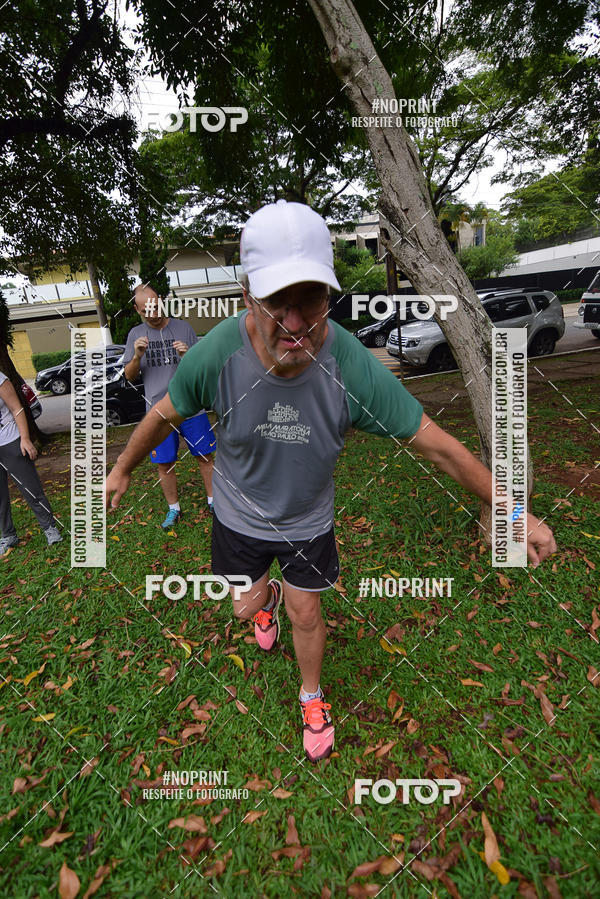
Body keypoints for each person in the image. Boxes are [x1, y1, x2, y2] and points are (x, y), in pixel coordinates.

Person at [106, 200, 557, 762]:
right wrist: (123, 468)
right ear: (248, 295)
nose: (295, 322)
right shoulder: (215, 354)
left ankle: (311, 694)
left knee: (308, 613)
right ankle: (261, 595)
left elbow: (440, 448)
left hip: (308, 523)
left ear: (329, 296)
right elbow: (162, 414)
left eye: (311, 299)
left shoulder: (349, 365)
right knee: (244, 609)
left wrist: (514, 512)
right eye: (277, 301)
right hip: (238, 517)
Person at [123, 285, 215, 528]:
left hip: (191, 407)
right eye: (145, 310)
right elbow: (129, 377)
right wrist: (136, 357)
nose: (152, 313)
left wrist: (188, 357)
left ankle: (214, 501)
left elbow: (201, 372)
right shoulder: (135, 334)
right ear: (137, 309)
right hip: (159, 413)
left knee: (205, 456)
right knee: (165, 463)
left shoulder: (183, 328)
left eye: (154, 306)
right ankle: (174, 510)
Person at [0, 372, 62, 555]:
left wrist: (25, 439)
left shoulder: (1, 379)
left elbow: (17, 408)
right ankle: (8, 535)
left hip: (10, 439)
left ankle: (50, 528)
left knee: (30, 488)